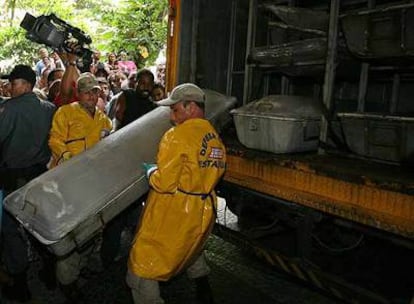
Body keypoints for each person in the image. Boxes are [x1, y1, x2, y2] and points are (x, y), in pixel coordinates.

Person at [126, 83, 227, 304]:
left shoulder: (176, 136)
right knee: (190, 249)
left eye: (175, 109)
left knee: (143, 265)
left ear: (190, 107)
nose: (172, 116)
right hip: (202, 208)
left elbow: (164, 183)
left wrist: (151, 171)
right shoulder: (213, 136)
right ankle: (204, 291)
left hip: (174, 210)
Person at [48, 72, 112, 301]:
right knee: (72, 231)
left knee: (93, 228)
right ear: (79, 93)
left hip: (93, 183)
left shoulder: (103, 118)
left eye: (95, 92)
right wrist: (66, 158)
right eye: (87, 92)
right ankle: (67, 282)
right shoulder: (65, 112)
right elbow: (54, 139)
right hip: (68, 182)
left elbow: (110, 143)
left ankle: (79, 267)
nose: (92, 96)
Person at [0, 64, 56, 302]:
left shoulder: (8, 108)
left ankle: (20, 281)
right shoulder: (50, 108)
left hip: (12, 176)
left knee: (11, 229)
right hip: (41, 176)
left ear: (25, 84)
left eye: (13, 84)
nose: (10, 88)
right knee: (40, 224)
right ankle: (51, 271)